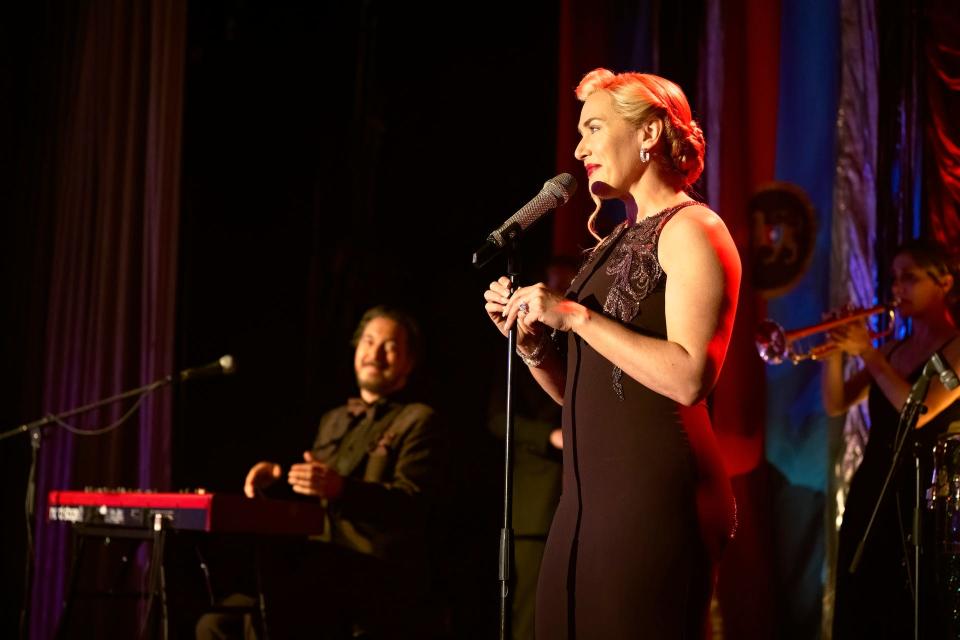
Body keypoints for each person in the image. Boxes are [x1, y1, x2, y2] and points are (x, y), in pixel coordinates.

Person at [483, 68, 740, 638]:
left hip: (652, 498)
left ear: (649, 134)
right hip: (586, 503)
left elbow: (691, 376)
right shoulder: (612, 244)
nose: (579, 149)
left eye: (594, 128)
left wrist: (573, 316)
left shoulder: (694, 228)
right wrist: (532, 349)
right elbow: (585, 390)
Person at [196, 305, 447, 640]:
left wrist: (342, 489)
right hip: (315, 567)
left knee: (272, 617)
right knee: (216, 624)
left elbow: (411, 504)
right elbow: (316, 484)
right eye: (368, 342)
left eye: (389, 346)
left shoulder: (417, 419)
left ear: (408, 363)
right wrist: (281, 475)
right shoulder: (333, 419)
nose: (375, 353)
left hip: (372, 575)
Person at [823, 239, 960, 638]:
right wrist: (833, 347)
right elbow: (836, 403)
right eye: (895, 278)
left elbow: (916, 412)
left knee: (904, 605)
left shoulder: (955, 349)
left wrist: (868, 353)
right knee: (862, 594)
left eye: (910, 278)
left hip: (920, 492)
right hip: (873, 487)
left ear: (945, 283)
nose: (898, 288)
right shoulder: (894, 349)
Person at [487, 257, 574, 640]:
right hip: (536, 506)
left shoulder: (586, 337)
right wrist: (549, 437)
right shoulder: (519, 343)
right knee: (530, 618)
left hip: (583, 499)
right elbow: (497, 419)